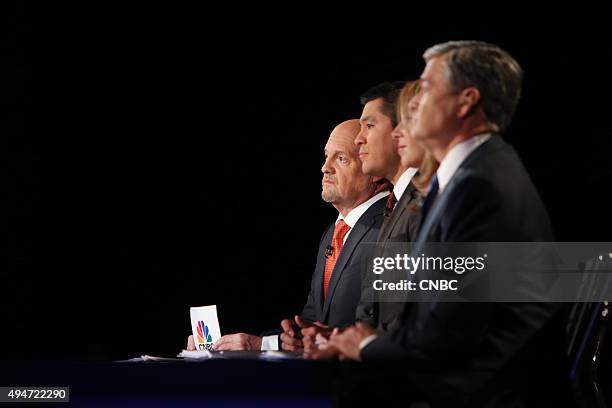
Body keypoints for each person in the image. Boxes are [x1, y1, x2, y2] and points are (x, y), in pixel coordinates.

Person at [317, 41, 566, 406]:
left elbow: (446, 334)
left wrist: (366, 346)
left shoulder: (480, 186)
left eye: (428, 88)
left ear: (466, 102)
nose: (413, 103)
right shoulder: (469, 176)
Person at [187, 119, 390, 351]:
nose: (325, 167)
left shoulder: (389, 227)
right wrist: (244, 344)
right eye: (326, 156)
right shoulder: (334, 232)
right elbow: (313, 325)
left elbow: (383, 326)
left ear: (374, 171)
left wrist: (261, 345)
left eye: (341, 158)